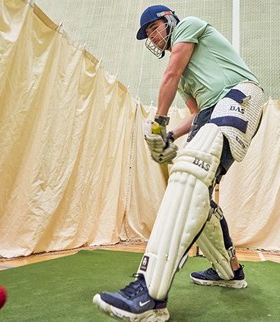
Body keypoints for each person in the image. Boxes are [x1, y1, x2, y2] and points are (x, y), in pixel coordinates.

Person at [93, 5, 265, 321]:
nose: (153, 38)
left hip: (238, 96)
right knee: (199, 194)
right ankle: (230, 272)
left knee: (187, 177)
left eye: (154, 28)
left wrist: (158, 122)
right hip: (213, 111)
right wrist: (171, 134)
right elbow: (198, 113)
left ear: (169, 19)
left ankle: (149, 294)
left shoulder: (189, 26)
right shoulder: (188, 80)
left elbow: (170, 72)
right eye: (148, 35)